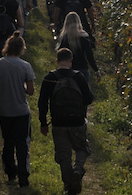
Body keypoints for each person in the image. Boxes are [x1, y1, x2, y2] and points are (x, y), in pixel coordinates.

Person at [38, 48, 93, 195]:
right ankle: (78, 169)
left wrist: (43, 123)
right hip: (77, 122)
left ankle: (69, 187)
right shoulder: (78, 77)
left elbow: (42, 103)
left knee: (64, 156)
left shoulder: (50, 77)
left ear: (57, 61)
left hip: (58, 123)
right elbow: (89, 98)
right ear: (71, 60)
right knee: (82, 148)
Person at [0, 31, 35, 187]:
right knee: (22, 144)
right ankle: (23, 175)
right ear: (22, 48)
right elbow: (30, 91)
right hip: (21, 111)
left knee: (8, 142)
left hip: (4, 110)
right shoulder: (25, 66)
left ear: (7, 47)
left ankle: (10, 171)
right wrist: (21, 86)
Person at [56, 12, 101, 84]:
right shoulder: (84, 37)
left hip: (68, 70)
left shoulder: (64, 38)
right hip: (83, 69)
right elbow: (89, 55)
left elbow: (61, 55)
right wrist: (96, 70)